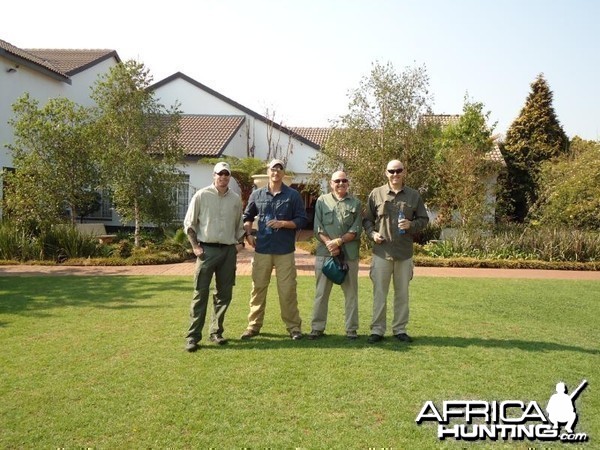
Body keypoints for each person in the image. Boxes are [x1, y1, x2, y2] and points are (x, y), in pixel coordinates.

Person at [363, 159, 429, 344]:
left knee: (402, 294)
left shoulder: (414, 196)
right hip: (381, 253)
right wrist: (372, 233)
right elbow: (367, 220)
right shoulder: (376, 194)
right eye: (391, 171)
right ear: (386, 173)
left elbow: (424, 219)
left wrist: (411, 224)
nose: (395, 174)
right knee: (379, 294)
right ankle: (377, 330)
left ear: (404, 172)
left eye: (398, 170)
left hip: (404, 253)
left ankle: (400, 329)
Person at [241, 159, 308, 340]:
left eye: (279, 169)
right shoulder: (257, 195)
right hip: (262, 248)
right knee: (258, 289)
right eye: (273, 168)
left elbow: (302, 220)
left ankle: (294, 328)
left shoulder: (292, 195)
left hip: (284, 251)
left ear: (283, 173)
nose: (276, 172)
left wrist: (283, 224)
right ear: (268, 171)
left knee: (287, 290)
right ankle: (253, 327)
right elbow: (247, 216)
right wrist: (248, 234)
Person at [183, 161, 245, 352]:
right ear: (214, 175)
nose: (223, 177)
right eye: (220, 174)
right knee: (200, 293)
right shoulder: (201, 195)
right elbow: (190, 224)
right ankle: (193, 337)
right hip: (206, 251)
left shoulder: (235, 199)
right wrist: (195, 247)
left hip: (228, 252)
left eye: (227, 174)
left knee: (224, 294)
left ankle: (216, 332)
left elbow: (239, 226)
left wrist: (238, 245)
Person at [308, 170, 362, 340]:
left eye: (344, 180)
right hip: (325, 254)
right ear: (331, 183)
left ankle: (351, 330)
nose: (341, 183)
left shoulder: (356, 203)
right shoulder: (322, 201)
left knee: (351, 294)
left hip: (349, 256)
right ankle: (317, 328)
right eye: (337, 181)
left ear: (348, 183)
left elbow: (356, 229)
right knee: (321, 293)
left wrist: (338, 242)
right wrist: (330, 245)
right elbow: (318, 227)